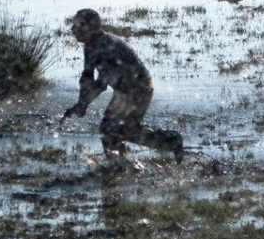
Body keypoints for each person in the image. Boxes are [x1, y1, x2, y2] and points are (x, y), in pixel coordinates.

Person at [62, 8, 183, 162]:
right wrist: (81, 104)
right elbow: (87, 78)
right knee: (119, 130)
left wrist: (83, 104)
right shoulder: (91, 45)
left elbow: (101, 84)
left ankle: (122, 165)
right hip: (126, 91)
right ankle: (124, 163)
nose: (73, 29)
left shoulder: (103, 46)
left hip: (136, 90)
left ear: (90, 28)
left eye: (78, 25)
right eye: (74, 24)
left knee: (113, 130)